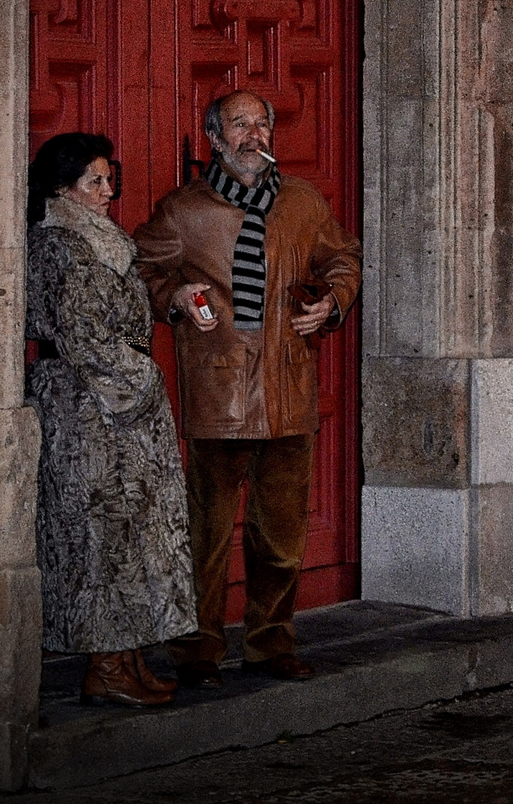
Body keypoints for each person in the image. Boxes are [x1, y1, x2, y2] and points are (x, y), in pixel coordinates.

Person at [134, 90, 362, 686]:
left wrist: (333, 303)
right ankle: (198, 650)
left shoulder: (303, 202)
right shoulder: (185, 210)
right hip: (219, 392)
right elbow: (140, 269)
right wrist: (175, 297)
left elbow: (343, 258)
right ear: (215, 137)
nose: (254, 135)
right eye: (240, 124)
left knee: (281, 535)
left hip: (289, 389)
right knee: (205, 533)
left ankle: (269, 642)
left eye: (262, 123)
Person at [26, 132, 198, 707]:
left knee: (131, 530)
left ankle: (125, 656)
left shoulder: (103, 238)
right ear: (61, 188)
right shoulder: (57, 244)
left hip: (121, 410)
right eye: (94, 181)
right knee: (97, 531)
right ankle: (104, 663)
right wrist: (141, 380)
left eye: (109, 179)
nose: (107, 191)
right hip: (84, 410)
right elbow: (82, 334)